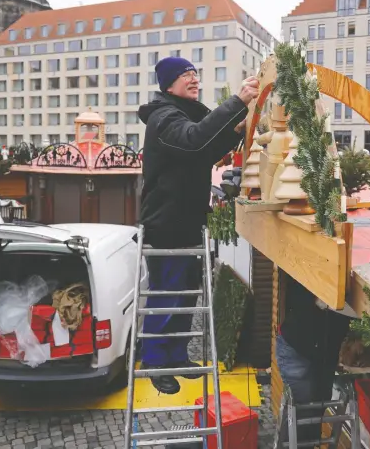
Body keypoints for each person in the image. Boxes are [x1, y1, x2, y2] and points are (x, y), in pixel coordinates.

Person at [137, 56, 259, 394]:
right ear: (169, 84)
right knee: (167, 293)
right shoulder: (164, 119)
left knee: (187, 294)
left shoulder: (185, 115)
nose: (194, 79)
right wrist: (238, 102)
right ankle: (154, 360)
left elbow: (205, 148)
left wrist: (235, 126)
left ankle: (176, 355)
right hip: (166, 224)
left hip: (187, 220)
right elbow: (194, 140)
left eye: (195, 73)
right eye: (185, 75)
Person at [275, 277, 353, 443]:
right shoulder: (312, 277)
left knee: (318, 404)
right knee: (302, 410)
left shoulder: (355, 291)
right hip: (296, 349)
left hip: (323, 354)